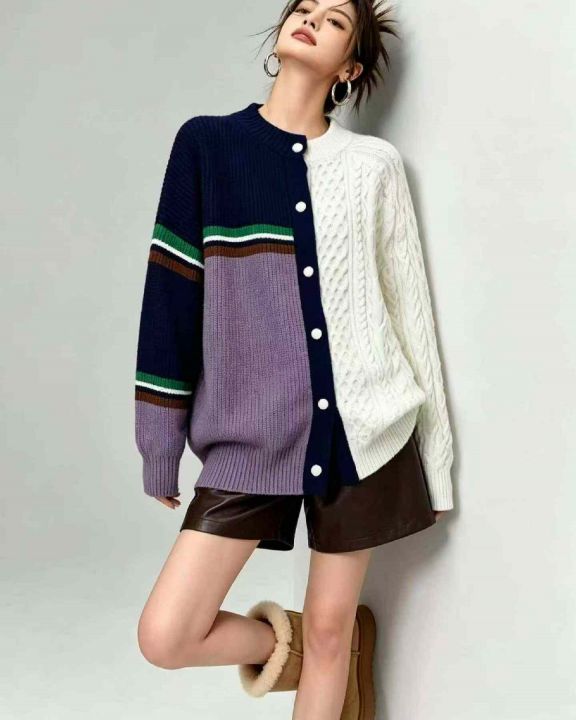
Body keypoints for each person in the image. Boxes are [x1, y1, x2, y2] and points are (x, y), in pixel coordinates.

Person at [134, 1, 454, 718]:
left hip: (365, 431)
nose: (311, 18)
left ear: (350, 69)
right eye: (304, 7)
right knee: (166, 635)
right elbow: (171, 295)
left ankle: (335, 654)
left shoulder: (374, 165)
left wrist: (437, 459)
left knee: (335, 628)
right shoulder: (208, 145)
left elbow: (410, 311)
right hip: (252, 434)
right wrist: (159, 440)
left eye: (335, 20)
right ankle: (306, 652)